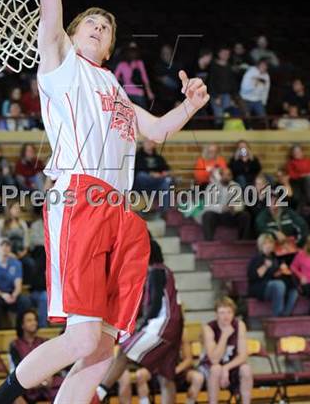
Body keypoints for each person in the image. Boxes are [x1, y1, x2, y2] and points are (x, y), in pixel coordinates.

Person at [0, 0, 209, 404]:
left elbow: (158, 132)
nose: (99, 27)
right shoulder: (61, 64)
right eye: (90, 22)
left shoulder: (115, 90)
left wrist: (191, 104)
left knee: (101, 348)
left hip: (121, 214)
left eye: (106, 26)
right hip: (79, 196)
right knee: (81, 338)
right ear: (71, 34)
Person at [97, 240, 184, 404]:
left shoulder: (156, 271)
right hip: (175, 326)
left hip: (163, 324)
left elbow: (156, 304)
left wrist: (142, 326)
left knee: (124, 350)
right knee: (166, 376)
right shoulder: (165, 271)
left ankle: (99, 393)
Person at [187, 297, 253, 404]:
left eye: (229, 312)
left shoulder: (240, 325)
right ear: (216, 314)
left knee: (246, 369)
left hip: (230, 365)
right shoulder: (209, 328)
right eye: (222, 312)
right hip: (209, 366)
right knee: (216, 369)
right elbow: (214, 359)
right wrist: (224, 336)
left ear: (233, 313)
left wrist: (226, 368)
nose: (226, 316)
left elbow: (243, 356)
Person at [0, 238, 32, 330]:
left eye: (7, 246)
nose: (5, 248)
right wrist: (2, 295)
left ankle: (21, 328)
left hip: (11, 293)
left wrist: (14, 294)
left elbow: (18, 284)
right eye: (2, 245)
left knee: (25, 301)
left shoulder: (16, 264)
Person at [9, 309, 54, 404]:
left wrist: (45, 380)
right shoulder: (15, 345)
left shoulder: (44, 342)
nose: (34, 323)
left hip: (46, 383)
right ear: (22, 325)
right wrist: (35, 382)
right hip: (25, 384)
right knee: (14, 395)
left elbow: (50, 365)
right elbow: (17, 368)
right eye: (29, 320)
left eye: (35, 320)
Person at [247, 234, 298, 317]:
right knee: (279, 285)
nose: (268, 245)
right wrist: (265, 266)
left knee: (294, 291)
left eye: (270, 243)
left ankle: (285, 315)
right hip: (259, 286)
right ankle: (277, 315)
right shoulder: (257, 258)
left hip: (274, 284)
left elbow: (275, 274)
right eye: (266, 243)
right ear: (261, 245)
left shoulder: (275, 258)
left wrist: (282, 271)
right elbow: (253, 276)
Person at [0, 201, 35, 285]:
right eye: (15, 208)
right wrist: (8, 253)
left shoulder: (22, 223)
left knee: (30, 263)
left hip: (19, 252)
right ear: (9, 209)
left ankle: (25, 285)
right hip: (4, 252)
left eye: (19, 208)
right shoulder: (0, 223)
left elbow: (26, 241)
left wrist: (23, 252)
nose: (18, 210)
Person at [201, 168, 251, 241]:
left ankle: (242, 242)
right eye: (223, 175)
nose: (226, 177)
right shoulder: (212, 186)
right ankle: (208, 242)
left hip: (231, 214)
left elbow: (241, 204)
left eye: (228, 175)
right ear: (220, 176)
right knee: (207, 215)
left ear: (231, 177)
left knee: (245, 216)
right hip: (217, 215)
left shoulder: (236, 186)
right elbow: (208, 205)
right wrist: (222, 208)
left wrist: (234, 208)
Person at [255, 193, 309, 257]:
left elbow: (302, 225)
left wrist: (298, 244)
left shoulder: (288, 213)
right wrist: (275, 233)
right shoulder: (262, 216)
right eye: (270, 200)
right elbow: (261, 228)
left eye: (275, 200)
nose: (273, 202)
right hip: (272, 249)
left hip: (290, 246)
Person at [134, 139, 173, 211]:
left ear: (154, 144)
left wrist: (164, 173)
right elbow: (136, 171)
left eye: (151, 142)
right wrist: (151, 174)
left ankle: (165, 212)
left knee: (167, 181)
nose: (149, 143)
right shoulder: (137, 157)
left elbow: (167, 169)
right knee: (141, 175)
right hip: (142, 185)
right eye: (147, 141)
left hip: (157, 183)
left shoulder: (158, 158)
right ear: (143, 144)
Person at [114, 41, 154, 109]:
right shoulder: (139, 63)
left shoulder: (122, 64)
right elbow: (145, 78)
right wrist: (149, 92)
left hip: (127, 94)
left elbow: (114, 79)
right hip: (138, 93)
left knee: (130, 116)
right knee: (142, 115)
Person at [208, 47, 237, 127]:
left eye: (227, 54)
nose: (226, 55)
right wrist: (215, 96)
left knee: (227, 116)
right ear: (219, 54)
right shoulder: (213, 66)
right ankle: (218, 136)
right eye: (224, 53)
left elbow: (232, 83)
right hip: (216, 95)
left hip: (227, 95)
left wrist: (233, 97)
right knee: (219, 116)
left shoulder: (229, 67)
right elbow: (210, 82)